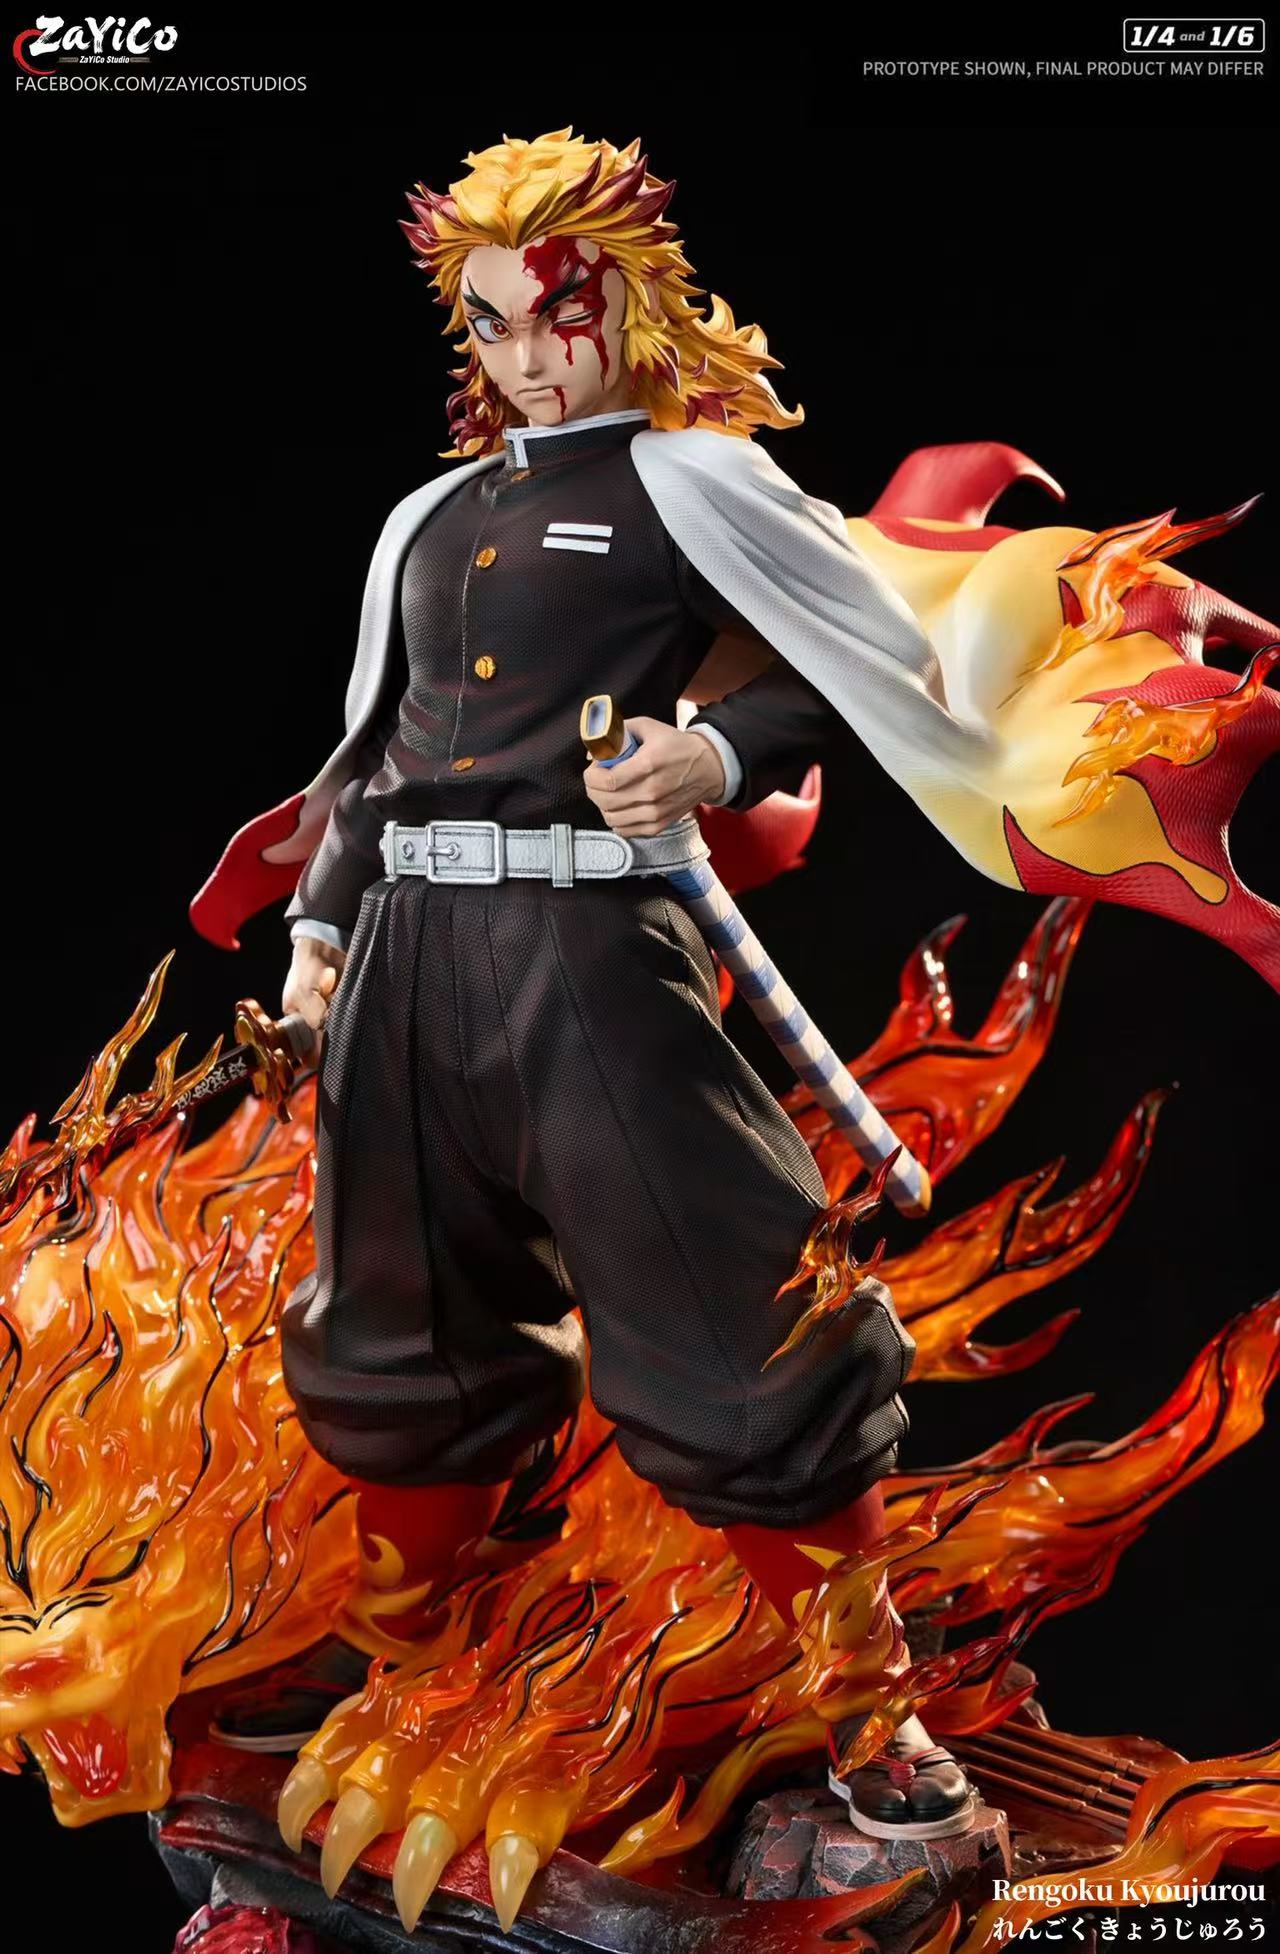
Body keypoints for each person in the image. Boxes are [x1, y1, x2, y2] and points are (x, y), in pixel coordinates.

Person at [193, 127, 975, 1843]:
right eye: (493, 322)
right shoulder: (429, 517)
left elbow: (865, 650)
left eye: (564, 313)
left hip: (594, 949)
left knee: (744, 1317)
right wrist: (318, 952)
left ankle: (870, 1703)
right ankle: (412, 1656)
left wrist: (713, 751)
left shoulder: (693, 481)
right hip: (406, 960)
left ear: (633, 305)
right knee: (398, 1325)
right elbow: (374, 759)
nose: (533, 356)